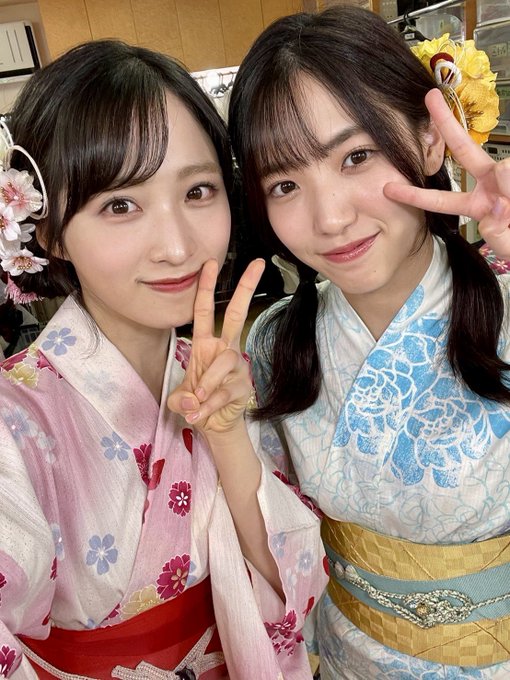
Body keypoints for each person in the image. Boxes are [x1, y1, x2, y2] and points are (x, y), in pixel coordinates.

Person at [0, 39, 327, 679]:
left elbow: (290, 585)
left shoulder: (222, 373)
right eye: (120, 205)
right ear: (48, 231)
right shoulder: (15, 420)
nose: (177, 246)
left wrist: (227, 436)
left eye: (199, 190)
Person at [228, 6, 510, 679]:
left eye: (356, 156)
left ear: (430, 141)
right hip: (342, 659)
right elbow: (275, 544)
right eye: (285, 184)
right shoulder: (276, 342)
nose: (330, 218)